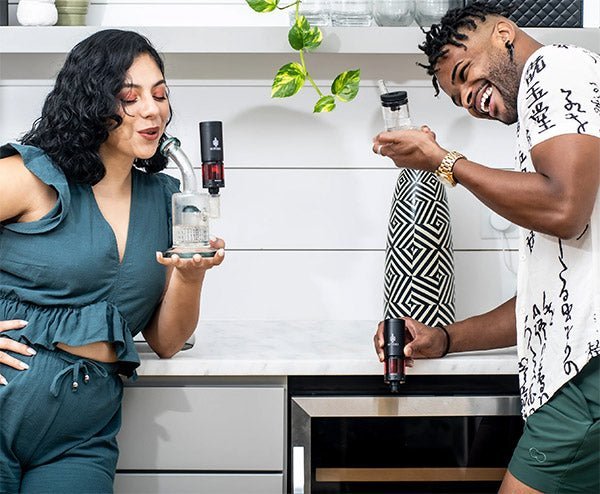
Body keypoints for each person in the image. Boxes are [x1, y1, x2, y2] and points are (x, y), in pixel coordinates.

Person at [372, 2, 599, 493]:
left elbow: (564, 209)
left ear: (503, 34)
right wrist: (445, 338)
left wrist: (444, 161)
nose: (471, 103)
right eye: (460, 100)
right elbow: (547, 305)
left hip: (586, 380)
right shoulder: (549, 108)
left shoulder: (556, 66)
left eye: (465, 74)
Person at [0, 29, 225, 493]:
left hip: (80, 439)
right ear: (90, 103)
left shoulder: (167, 200)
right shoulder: (29, 176)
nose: (152, 110)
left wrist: (190, 277)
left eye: (159, 95)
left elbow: (166, 341)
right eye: (129, 97)